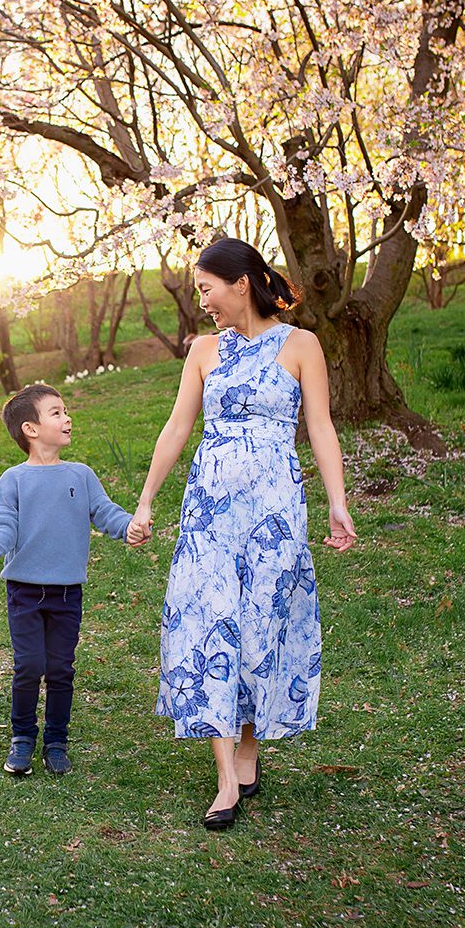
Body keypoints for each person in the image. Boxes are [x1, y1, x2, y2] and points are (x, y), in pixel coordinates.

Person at [129, 236, 356, 831]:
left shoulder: (302, 345)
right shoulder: (204, 351)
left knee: (262, 619)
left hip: (274, 506)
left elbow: (322, 427)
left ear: (242, 284)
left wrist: (337, 502)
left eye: (207, 289)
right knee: (210, 618)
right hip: (211, 507)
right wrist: (148, 500)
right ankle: (226, 776)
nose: (202, 300)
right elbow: (178, 427)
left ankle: (250, 744)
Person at [0, 384, 149, 777]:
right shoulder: (13, 480)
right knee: (29, 665)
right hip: (24, 592)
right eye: (56, 412)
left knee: (61, 668)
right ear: (30, 429)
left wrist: (130, 526)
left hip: (68, 592)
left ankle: (56, 740)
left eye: (65, 411)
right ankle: (22, 738)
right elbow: (4, 528)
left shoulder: (81, 475)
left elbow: (105, 512)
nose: (67, 418)